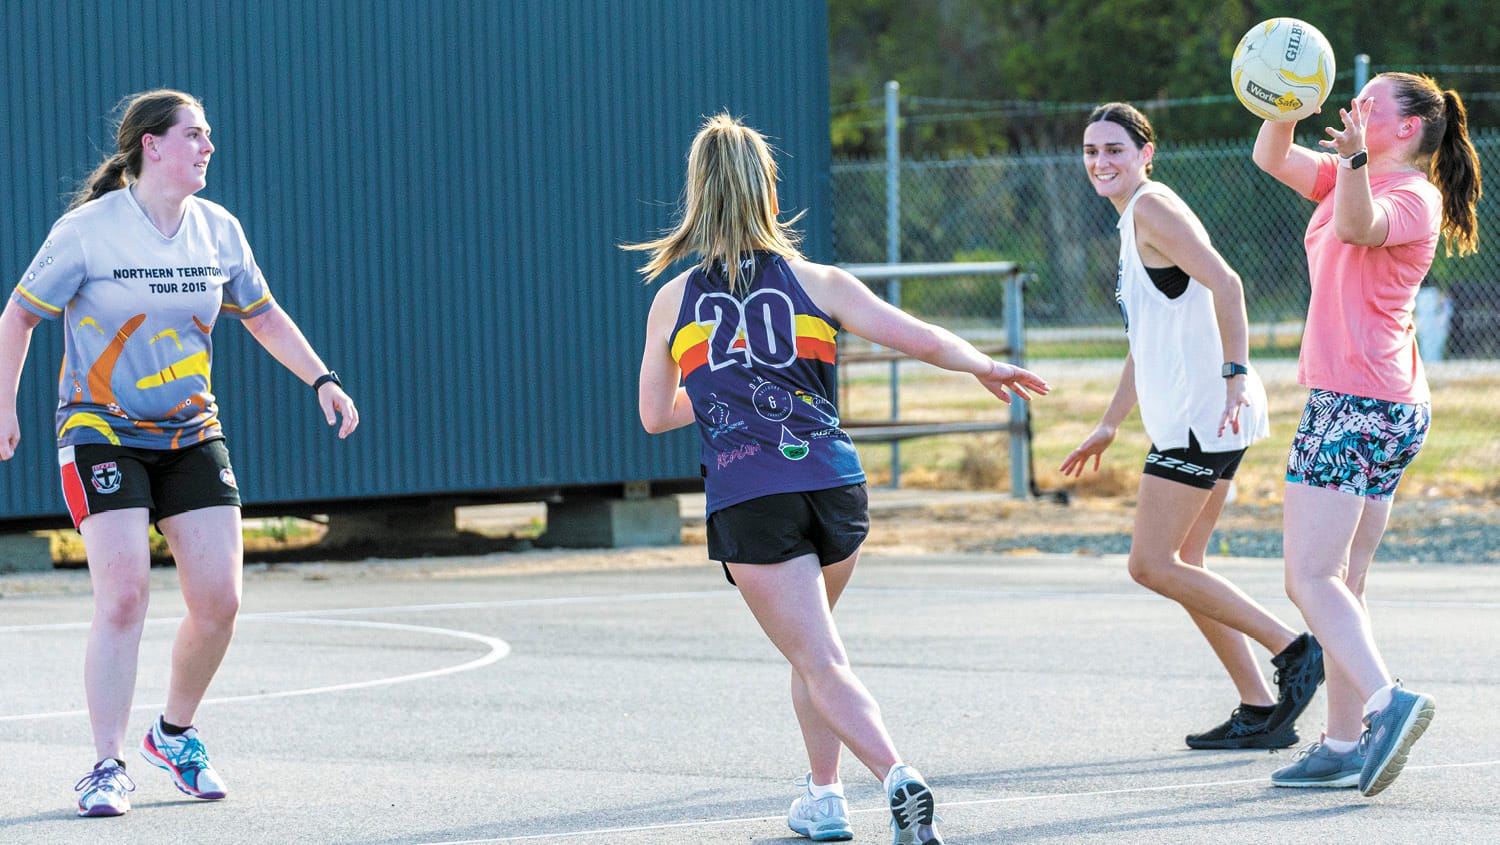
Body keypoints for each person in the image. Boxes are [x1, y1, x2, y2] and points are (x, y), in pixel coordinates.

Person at [628, 113, 1049, 845]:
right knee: (815, 650)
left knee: (818, 656)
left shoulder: (674, 301)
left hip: (751, 492)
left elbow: (655, 415)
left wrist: (728, 380)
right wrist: (986, 363)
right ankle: (824, 797)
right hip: (834, 484)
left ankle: (898, 777)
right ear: (767, 189)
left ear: (697, 192)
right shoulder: (817, 281)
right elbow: (916, 334)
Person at [0, 89, 359, 817]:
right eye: (194, 135)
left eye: (208, 135)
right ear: (150, 146)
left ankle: (175, 732)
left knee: (220, 600)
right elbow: (19, 315)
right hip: (100, 427)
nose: (208, 146)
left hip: (192, 430)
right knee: (125, 591)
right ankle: (106, 764)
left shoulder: (217, 230)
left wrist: (321, 376)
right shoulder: (87, 232)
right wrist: (2, 402)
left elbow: (263, 315)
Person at [1061, 103, 1324, 751]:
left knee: (1151, 564)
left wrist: (1235, 372)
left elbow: (1228, 284)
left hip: (1201, 416)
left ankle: (1295, 649)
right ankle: (1260, 708)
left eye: (1115, 149)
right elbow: (1145, 336)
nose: (1101, 162)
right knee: (1188, 564)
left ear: (1147, 153)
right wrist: (1108, 423)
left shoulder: (1152, 209)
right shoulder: (1135, 220)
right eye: (1092, 151)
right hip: (1202, 416)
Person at [1252, 72, 1479, 794]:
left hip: (1359, 398)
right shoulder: (1347, 173)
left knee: (1307, 576)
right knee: (1342, 581)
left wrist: (1351, 162)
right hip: (1376, 398)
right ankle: (1345, 741)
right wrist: (1280, 103)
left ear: (1408, 128)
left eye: (1372, 102)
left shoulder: (1412, 194)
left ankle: (1387, 703)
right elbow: (1271, 157)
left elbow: (1358, 226)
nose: (1357, 106)